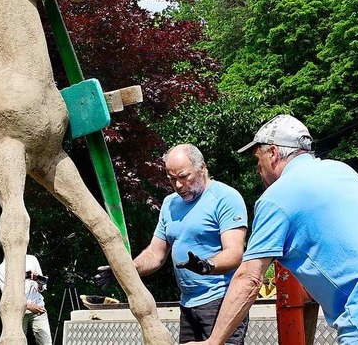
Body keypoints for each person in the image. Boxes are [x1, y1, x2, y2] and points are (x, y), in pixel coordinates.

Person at [185, 114, 358, 345]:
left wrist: (213, 341)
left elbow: (249, 277)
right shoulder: (342, 171)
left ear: (273, 153)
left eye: (257, 159)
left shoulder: (277, 198)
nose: (257, 169)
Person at [95, 144, 249, 344]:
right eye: (172, 178)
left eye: (184, 176)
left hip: (221, 302)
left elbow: (235, 253)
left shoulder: (225, 198)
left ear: (202, 167)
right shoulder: (169, 204)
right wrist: (125, 270)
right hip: (188, 305)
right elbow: (155, 254)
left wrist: (207, 265)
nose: (178, 185)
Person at [0, 254, 52, 345]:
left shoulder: (31, 259)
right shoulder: (1, 269)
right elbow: (8, 296)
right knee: (17, 343)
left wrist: (37, 280)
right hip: (18, 314)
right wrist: (28, 306)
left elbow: (42, 287)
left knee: (46, 343)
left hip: (39, 309)